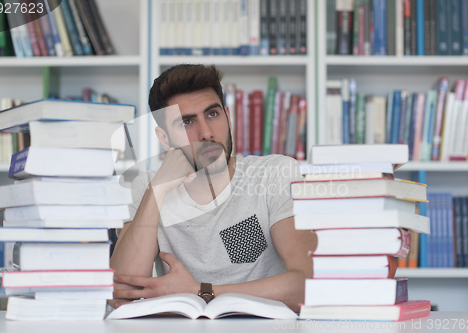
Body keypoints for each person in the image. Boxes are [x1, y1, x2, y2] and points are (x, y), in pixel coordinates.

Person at [109, 64, 317, 312]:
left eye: (212, 114)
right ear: (165, 139)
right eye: (187, 122)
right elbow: (121, 294)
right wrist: (157, 191)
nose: (206, 133)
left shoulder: (274, 173)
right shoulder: (147, 186)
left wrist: (201, 291)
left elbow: (308, 284)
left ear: (227, 116)